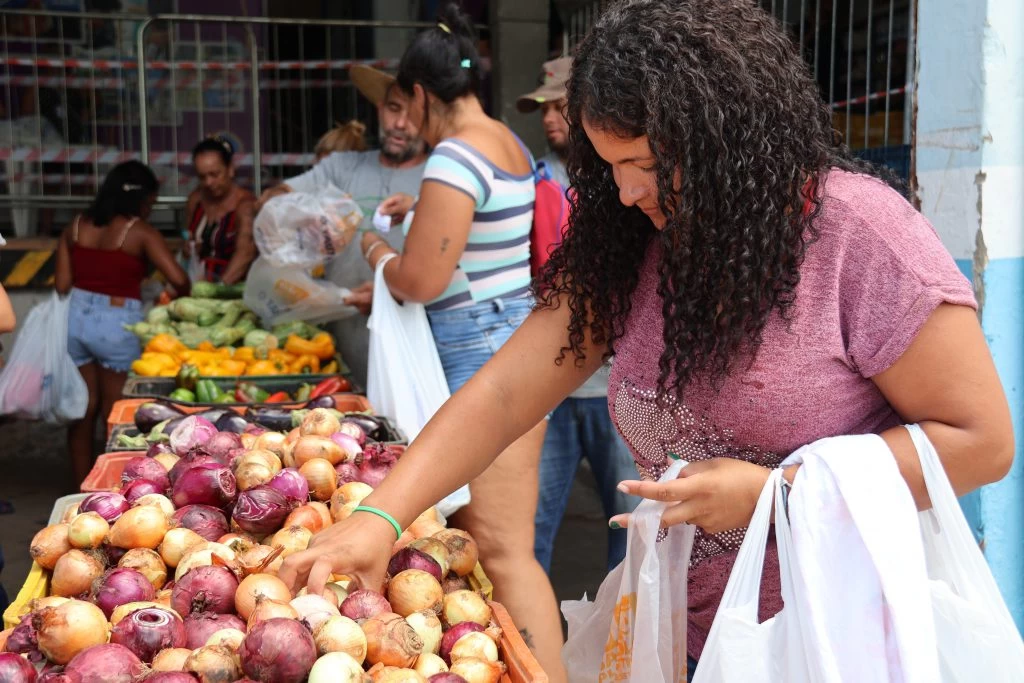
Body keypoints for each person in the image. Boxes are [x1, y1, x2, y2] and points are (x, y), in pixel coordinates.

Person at [280, 0, 1013, 679]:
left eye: (649, 167)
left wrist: (776, 493)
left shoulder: (863, 238)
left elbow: (982, 439)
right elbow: (505, 393)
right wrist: (380, 515)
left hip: (837, 637)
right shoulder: (631, 242)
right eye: (611, 168)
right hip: (687, 637)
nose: (628, 192)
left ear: (731, 142)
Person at [342, 6, 565, 680]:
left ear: (419, 95)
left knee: (500, 549)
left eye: (401, 104)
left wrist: (378, 249)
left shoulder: (454, 157)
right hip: (507, 340)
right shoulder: (505, 140)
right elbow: (488, 230)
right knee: (491, 546)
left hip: (484, 360)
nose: (401, 120)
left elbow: (421, 279)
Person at [517, 56, 640, 572]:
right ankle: (533, 642)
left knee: (633, 529)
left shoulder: (629, 183)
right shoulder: (531, 180)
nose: (548, 117)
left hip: (620, 384)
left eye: (559, 105)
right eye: (542, 107)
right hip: (552, 386)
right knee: (530, 530)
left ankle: (626, 643)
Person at [256, 65, 429, 387]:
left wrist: (390, 293)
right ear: (380, 108)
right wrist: (302, 215)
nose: (400, 123)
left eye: (412, 113)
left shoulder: (439, 178)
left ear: (430, 117)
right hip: (343, 348)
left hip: (418, 342)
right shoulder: (341, 166)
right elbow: (272, 199)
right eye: (393, 109)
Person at [56, 161, 189, 485]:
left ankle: (81, 486)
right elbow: (180, 280)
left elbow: (62, 285)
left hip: (75, 320)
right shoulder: (140, 232)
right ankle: (109, 488)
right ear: (143, 200)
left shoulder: (76, 226)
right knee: (116, 415)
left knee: (81, 411)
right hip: (116, 326)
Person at [184, 137, 257, 284]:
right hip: (199, 282)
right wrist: (189, 248)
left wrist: (219, 289)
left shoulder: (246, 205)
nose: (208, 182)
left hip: (234, 287)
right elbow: (188, 237)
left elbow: (245, 254)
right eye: (202, 177)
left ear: (230, 169)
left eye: (214, 175)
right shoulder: (196, 199)